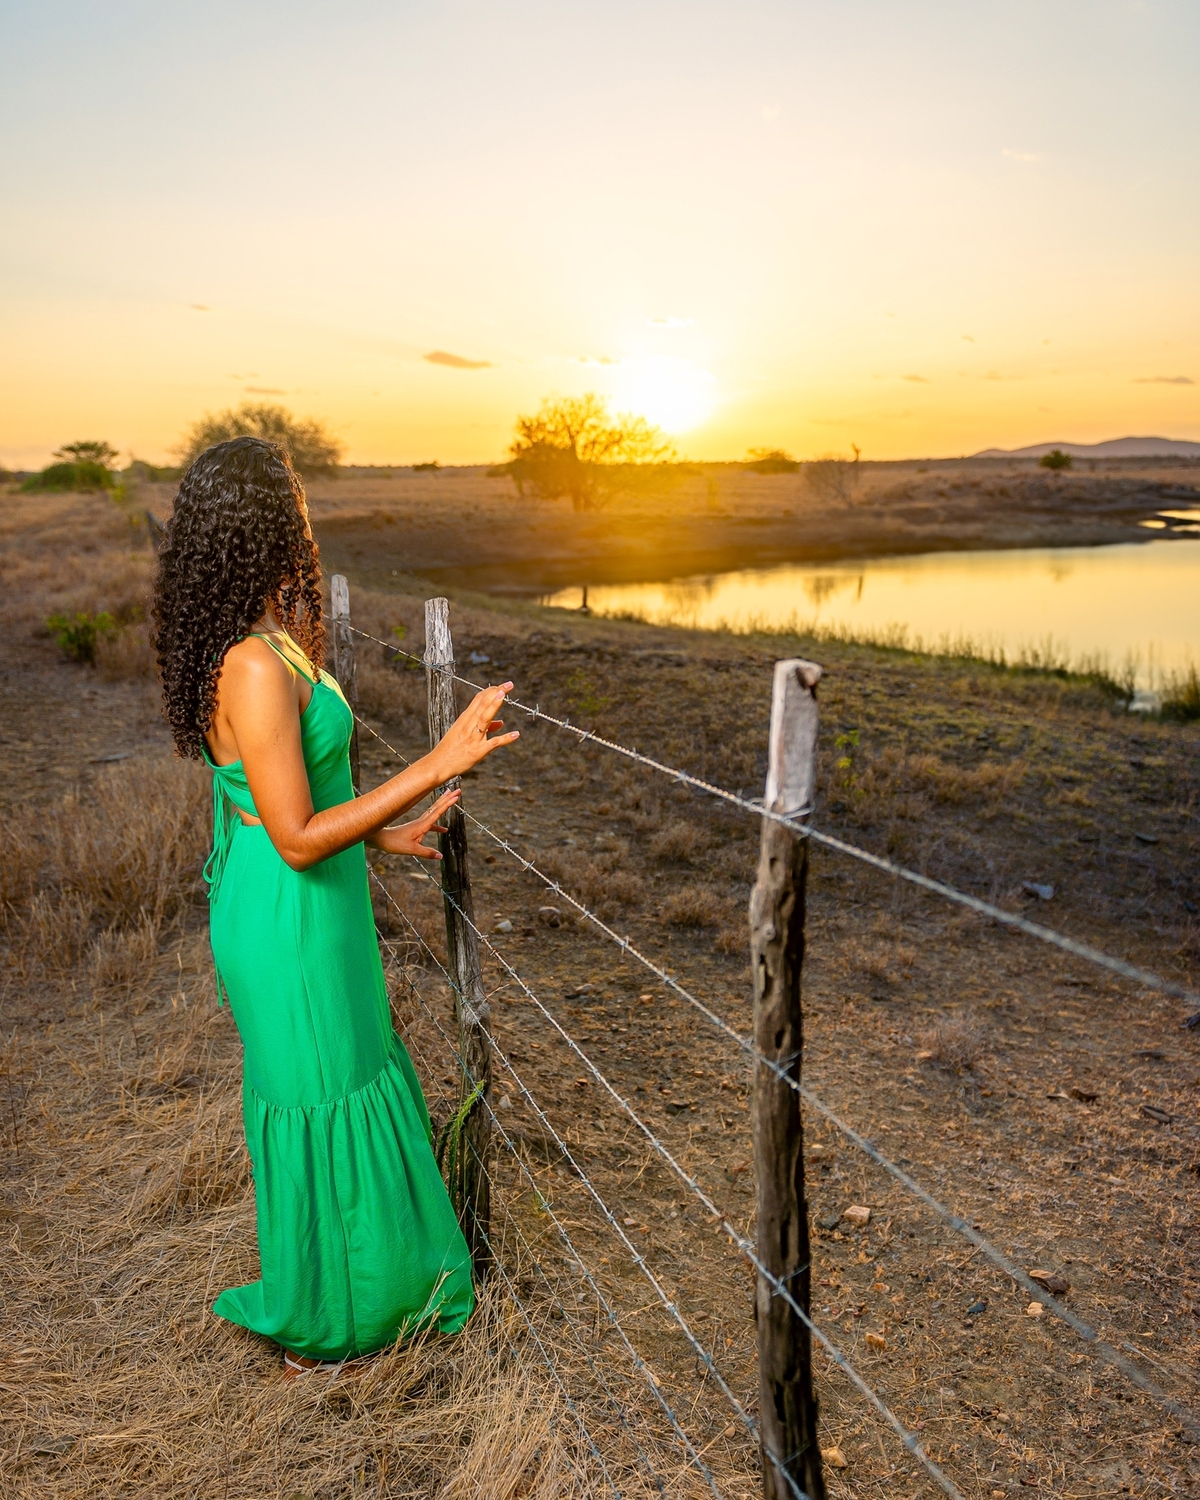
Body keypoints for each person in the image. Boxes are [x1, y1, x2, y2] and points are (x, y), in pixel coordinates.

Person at [151, 436, 517, 1376]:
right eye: (294, 506)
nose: (306, 520)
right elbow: (295, 834)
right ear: (268, 524)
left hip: (315, 900)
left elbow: (281, 796)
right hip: (290, 919)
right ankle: (333, 1322)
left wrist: (385, 834)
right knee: (322, 1088)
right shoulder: (251, 664)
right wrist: (436, 761)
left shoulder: (266, 641)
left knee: (353, 1072)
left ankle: (387, 1288)